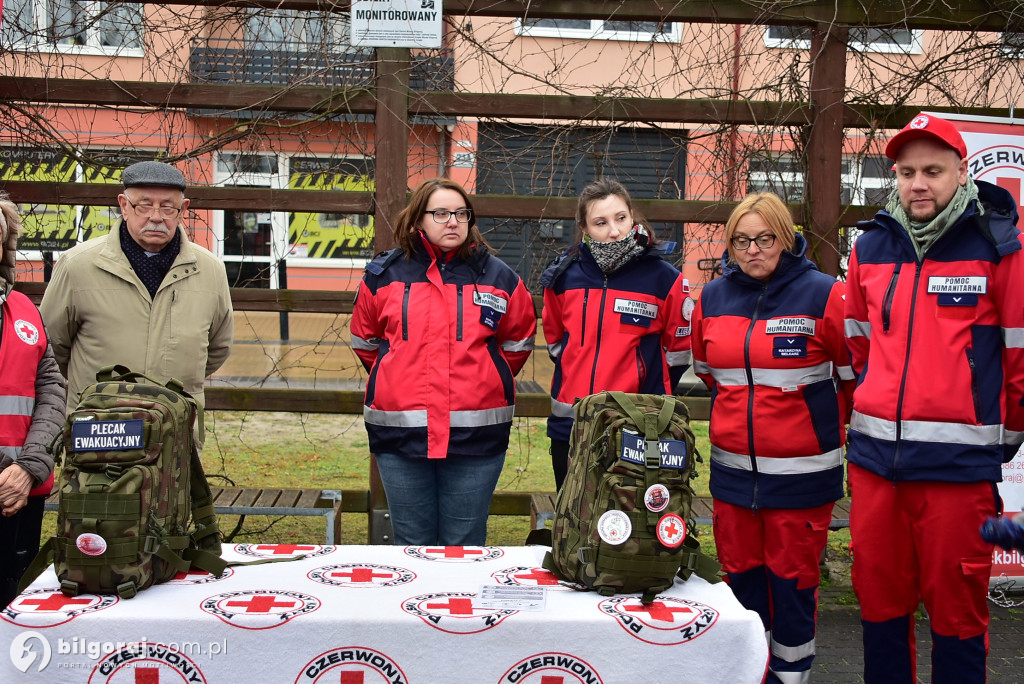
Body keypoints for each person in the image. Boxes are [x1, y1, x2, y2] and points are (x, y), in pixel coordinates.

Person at [844, 113, 1024, 683]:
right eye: (906, 172)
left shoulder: (1001, 244)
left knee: (957, 616)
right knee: (880, 609)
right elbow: (858, 345)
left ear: (961, 171)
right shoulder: (870, 247)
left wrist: (999, 438)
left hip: (956, 474)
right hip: (876, 470)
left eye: (932, 170)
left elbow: (1020, 357)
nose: (918, 183)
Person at [690, 192, 854, 683]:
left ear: (786, 238)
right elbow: (708, 372)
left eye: (764, 238)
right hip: (733, 477)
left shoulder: (827, 294)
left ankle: (791, 676)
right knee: (741, 586)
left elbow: (851, 377)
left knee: (793, 589)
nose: (753, 250)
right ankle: (750, 674)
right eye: (741, 240)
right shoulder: (712, 297)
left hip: (803, 480)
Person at [350, 178, 536, 546]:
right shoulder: (383, 276)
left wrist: (485, 376)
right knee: (411, 542)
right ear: (418, 219)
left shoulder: (500, 278)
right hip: (400, 437)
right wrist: (398, 373)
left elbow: (517, 343)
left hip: (477, 438)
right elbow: (366, 342)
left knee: (465, 544)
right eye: (441, 213)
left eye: (461, 213)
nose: (453, 221)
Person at [40, 161, 233, 431]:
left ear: (183, 210)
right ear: (124, 205)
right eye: (144, 205)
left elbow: (218, 347)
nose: (156, 216)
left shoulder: (209, 270)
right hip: (98, 434)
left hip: (174, 436)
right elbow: (51, 348)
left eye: (168, 207)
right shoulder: (78, 266)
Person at [541, 178, 693, 491]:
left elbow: (678, 353)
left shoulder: (665, 279)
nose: (614, 231)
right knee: (573, 524)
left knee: (630, 529)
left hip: (638, 427)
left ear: (632, 216)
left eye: (621, 218)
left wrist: (648, 397)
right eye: (601, 222)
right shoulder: (563, 276)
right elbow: (556, 344)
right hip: (571, 425)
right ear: (584, 226)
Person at [0, 192, 66, 606]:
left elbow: (52, 392)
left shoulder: (24, 308)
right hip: (9, 486)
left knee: (13, 605)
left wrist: (28, 468)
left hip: (20, 495)